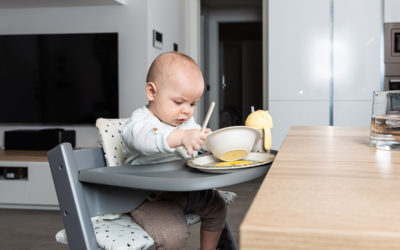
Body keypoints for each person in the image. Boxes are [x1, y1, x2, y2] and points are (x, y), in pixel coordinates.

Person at [121, 52, 227, 250]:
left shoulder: (186, 122)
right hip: (148, 197)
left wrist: (206, 141)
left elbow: (194, 147)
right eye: (179, 102)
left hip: (184, 190)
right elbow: (144, 141)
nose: (187, 111)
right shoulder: (139, 122)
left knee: (217, 206)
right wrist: (181, 137)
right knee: (174, 234)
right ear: (152, 92)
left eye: (193, 104)